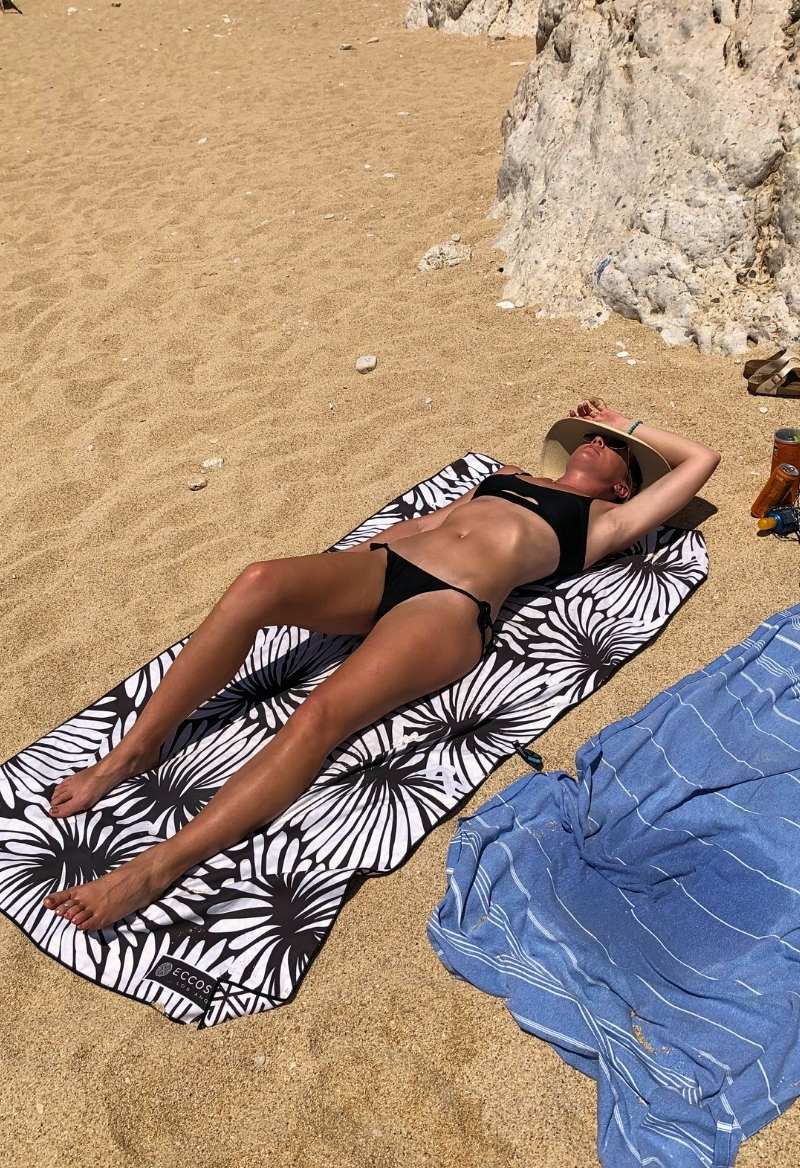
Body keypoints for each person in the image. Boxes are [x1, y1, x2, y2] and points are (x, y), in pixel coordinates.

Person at [42, 398, 719, 930]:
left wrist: (625, 421)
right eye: (588, 436)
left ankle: (155, 870)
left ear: (625, 486)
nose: (593, 441)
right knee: (256, 583)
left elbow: (701, 460)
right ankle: (131, 753)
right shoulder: (504, 477)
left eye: (611, 449)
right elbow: (419, 526)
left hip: (449, 610)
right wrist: (357, 558)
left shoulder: (600, 524)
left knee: (322, 714)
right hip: (388, 568)